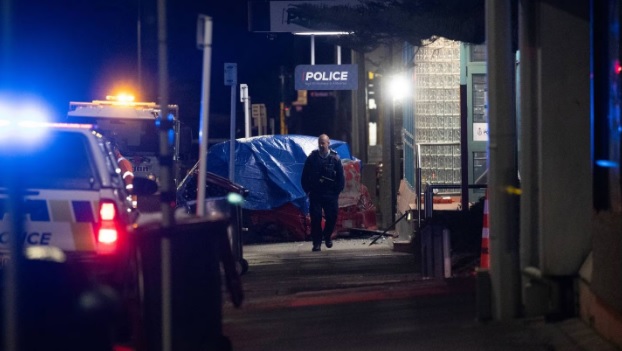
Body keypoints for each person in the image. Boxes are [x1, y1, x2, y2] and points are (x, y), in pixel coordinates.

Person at [301, 134, 345, 252]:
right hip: (316, 193)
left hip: (330, 194)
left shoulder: (335, 158)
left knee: (332, 217)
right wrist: (308, 191)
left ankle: (327, 235)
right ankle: (317, 243)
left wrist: (337, 191)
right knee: (316, 218)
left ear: (328, 143)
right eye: (320, 143)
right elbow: (304, 176)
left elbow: (341, 177)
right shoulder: (312, 158)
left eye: (323, 143)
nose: (321, 145)